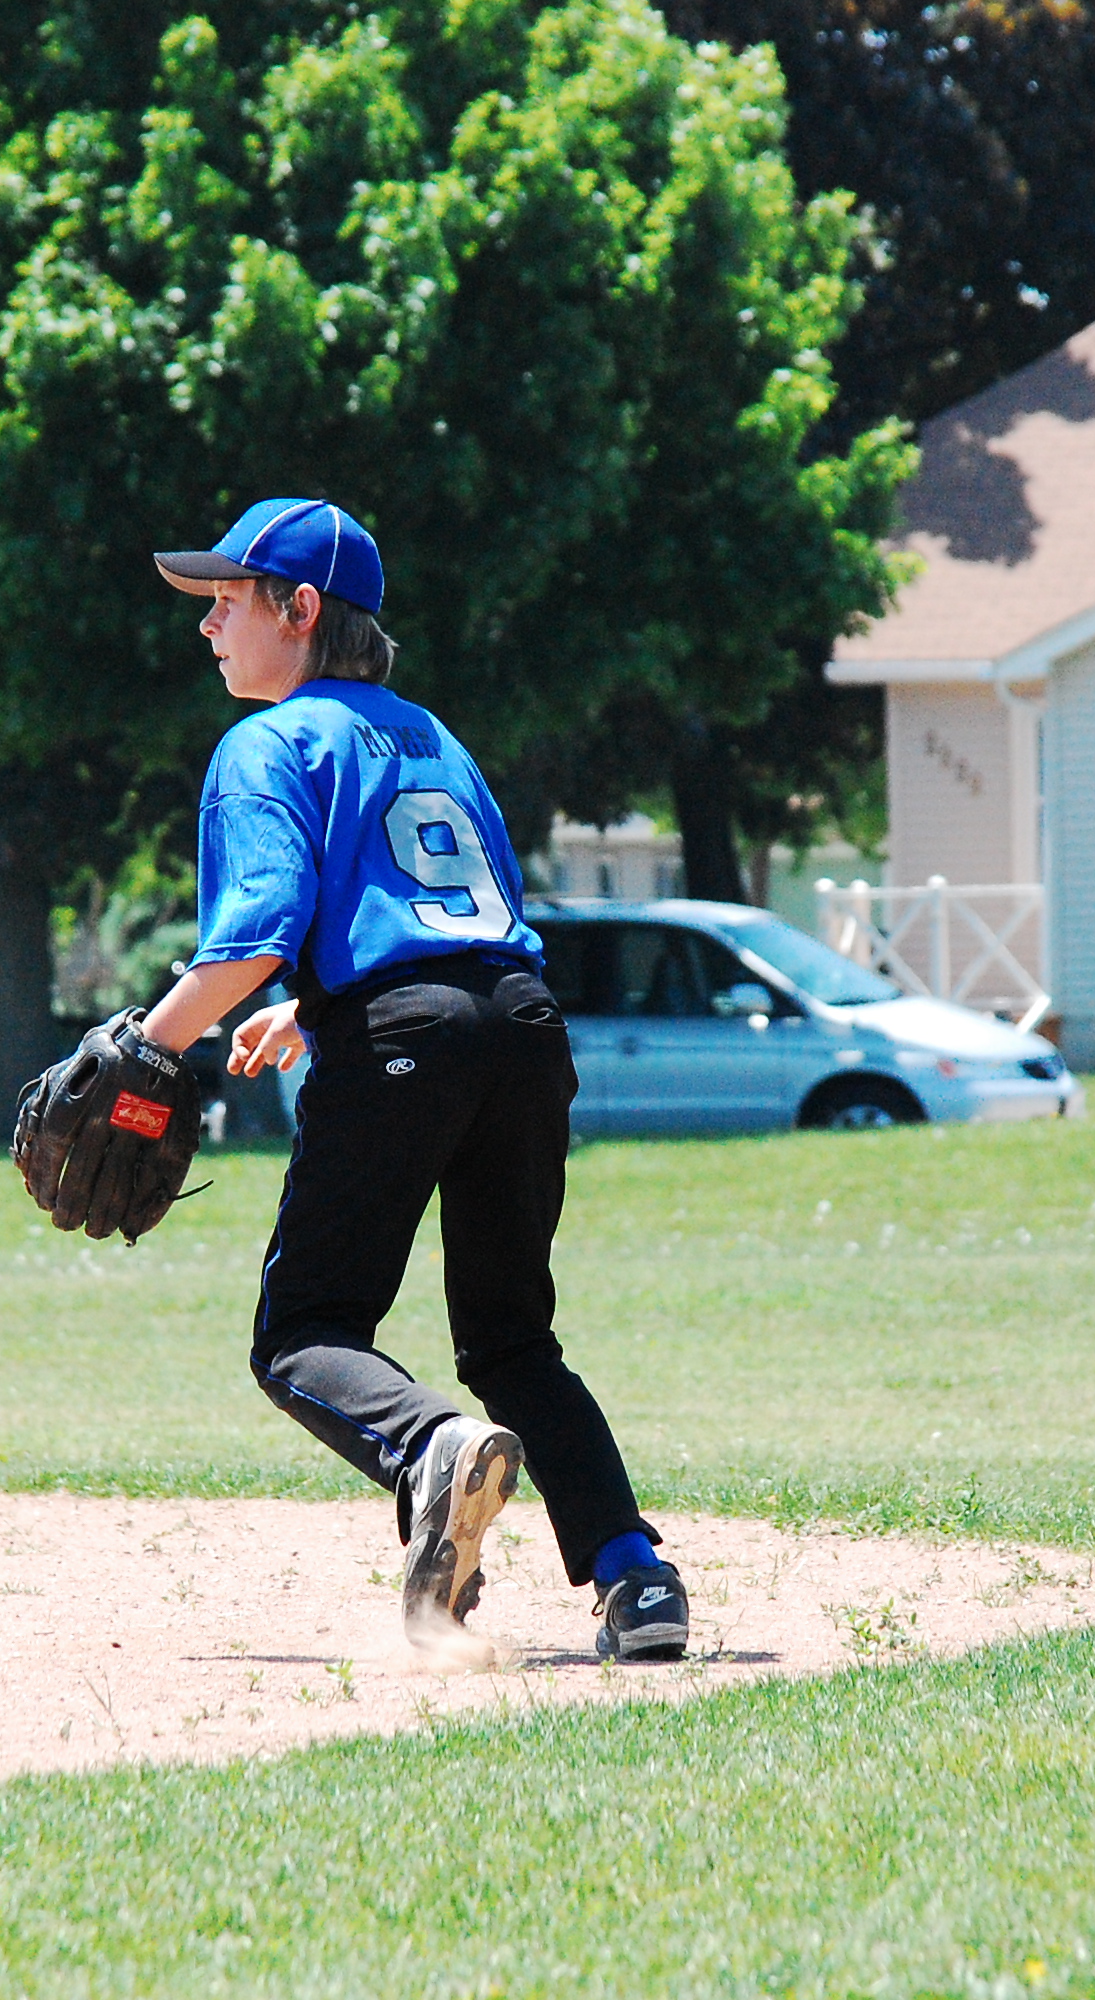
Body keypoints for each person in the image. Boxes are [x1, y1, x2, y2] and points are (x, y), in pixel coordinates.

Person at [139, 497, 688, 1662]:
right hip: (521, 1025)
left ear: (299, 609)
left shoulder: (267, 743)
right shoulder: (432, 736)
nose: (207, 626)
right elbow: (456, 922)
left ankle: (429, 1447)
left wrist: (147, 1042)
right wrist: (315, 1006)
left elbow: (248, 934)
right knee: (511, 1338)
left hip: (401, 1039)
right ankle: (636, 1578)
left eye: (226, 602)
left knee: (303, 1331)